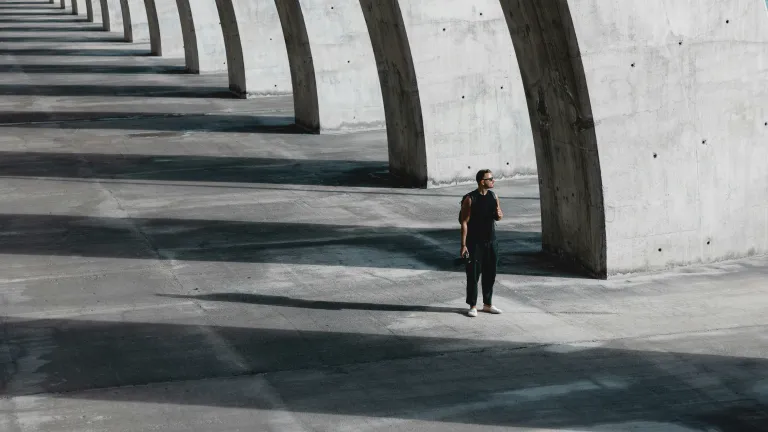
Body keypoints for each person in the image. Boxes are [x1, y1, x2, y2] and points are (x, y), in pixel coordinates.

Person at [459, 169, 503, 317]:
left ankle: (488, 304)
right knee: (473, 275)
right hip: (474, 243)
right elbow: (464, 222)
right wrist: (463, 245)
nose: (493, 181)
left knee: (490, 274)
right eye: (490, 178)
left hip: (491, 242)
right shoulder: (470, 199)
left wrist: (499, 216)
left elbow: (498, 216)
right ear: (481, 181)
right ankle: (472, 305)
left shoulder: (493, 196)